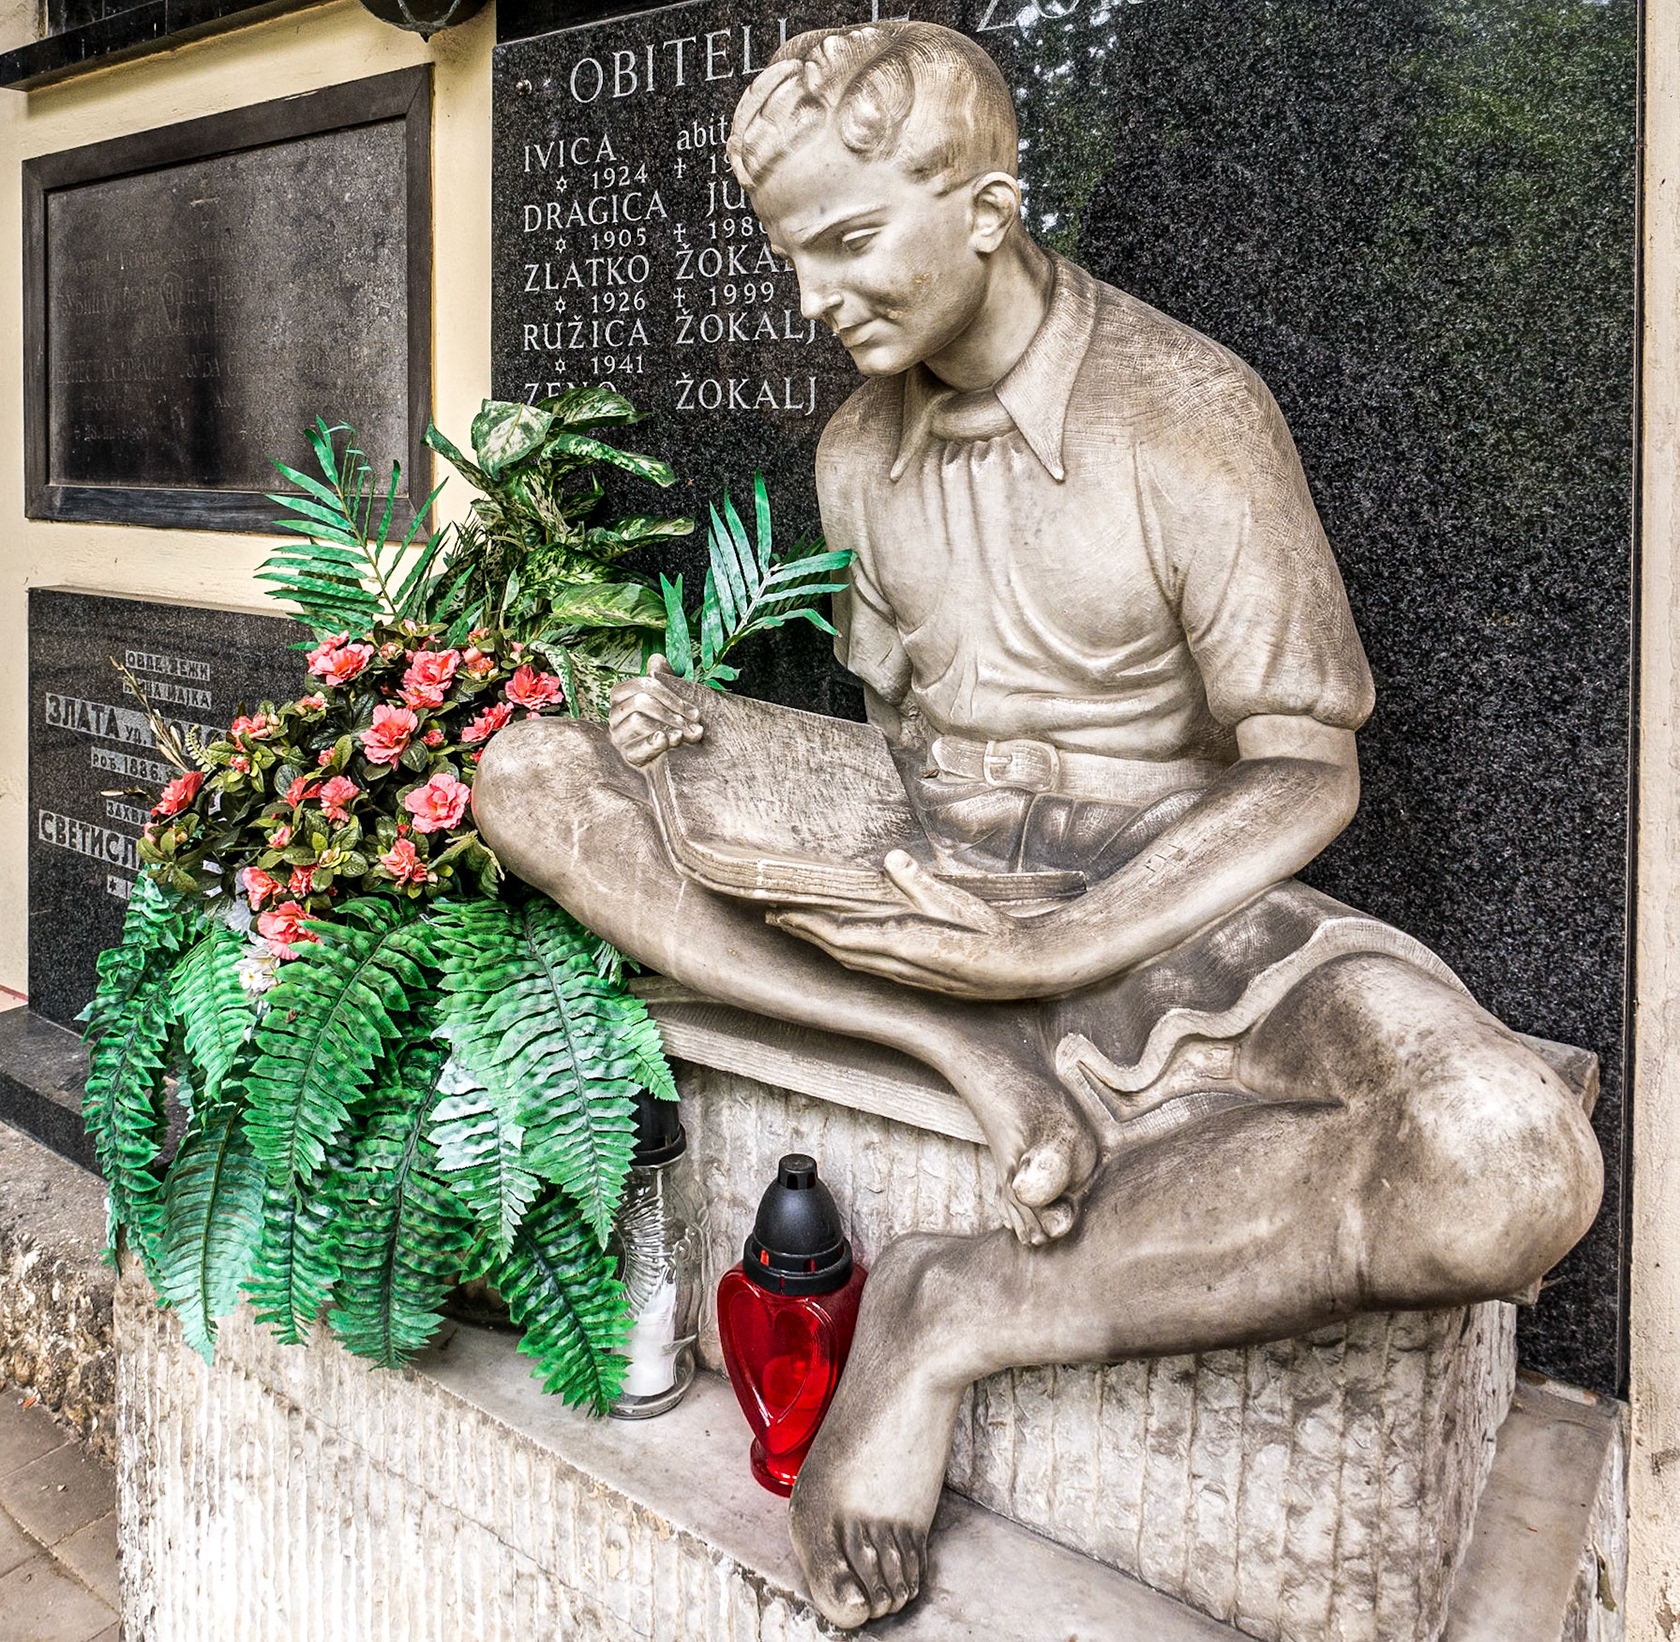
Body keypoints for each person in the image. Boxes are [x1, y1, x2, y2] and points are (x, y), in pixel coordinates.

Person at [471, 20, 1602, 1629]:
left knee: (1506, 1160)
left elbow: (1309, 768)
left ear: (989, 212)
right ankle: (955, 1053)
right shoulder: (859, 445)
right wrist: (699, 744)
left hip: (1177, 905)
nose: (816, 297)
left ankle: (946, 1315)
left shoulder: (1190, 411)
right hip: (925, 870)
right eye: (796, 258)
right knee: (528, 771)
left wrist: (1060, 938)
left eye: (851, 243)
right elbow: (888, 738)